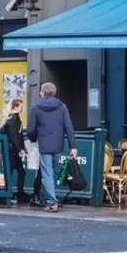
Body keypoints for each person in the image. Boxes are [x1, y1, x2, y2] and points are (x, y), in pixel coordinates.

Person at [28, 82, 76, 213]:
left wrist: (33, 139)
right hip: (58, 144)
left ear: (42, 93)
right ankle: (50, 198)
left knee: (47, 173)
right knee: (52, 172)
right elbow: (69, 127)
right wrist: (73, 146)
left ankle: (51, 201)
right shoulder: (62, 107)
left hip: (44, 143)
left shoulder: (36, 107)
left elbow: (31, 129)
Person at [0, 98, 29, 205]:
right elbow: (13, 137)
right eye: (21, 106)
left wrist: (23, 148)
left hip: (13, 150)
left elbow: (18, 136)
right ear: (15, 107)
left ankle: (19, 194)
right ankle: (3, 197)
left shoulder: (15, 119)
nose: (23, 108)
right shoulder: (12, 119)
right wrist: (20, 149)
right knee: (10, 172)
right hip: (11, 151)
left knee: (20, 172)